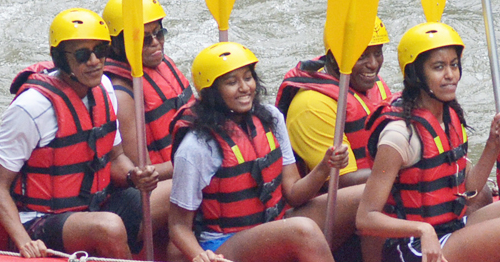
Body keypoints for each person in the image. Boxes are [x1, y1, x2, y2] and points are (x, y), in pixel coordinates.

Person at [0, 8, 159, 259]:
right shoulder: (31, 107)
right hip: (41, 221)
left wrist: (134, 176)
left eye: (100, 51)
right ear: (61, 58)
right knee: (109, 227)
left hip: (94, 204)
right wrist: (24, 242)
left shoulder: (105, 88)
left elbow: (115, 156)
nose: (94, 61)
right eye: (82, 55)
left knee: (172, 195)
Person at [168, 41, 349, 262]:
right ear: (212, 92)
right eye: (231, 82)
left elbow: (293, 193)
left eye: (248, 77)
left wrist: (324, 167)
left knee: (362, 197)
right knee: (304, 230)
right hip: (223, 244)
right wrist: (200, 256)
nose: (245, 88)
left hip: (273, 225)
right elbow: (178, 226)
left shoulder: (271, 118)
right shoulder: (197, 146)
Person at [356, 21, 500, 262]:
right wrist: (422, 230)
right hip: (413, 247)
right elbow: (365, 217)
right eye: (438, 67)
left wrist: (492, 144)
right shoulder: (399, 135)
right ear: (416, 74)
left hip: (452, 227)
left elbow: (468, 192)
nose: (450, 75)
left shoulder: (450, 116)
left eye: (454, 65)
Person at [102, 0, 193, 259]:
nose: (155, 43)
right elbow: (140, 173)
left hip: (171, 180)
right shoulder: (121, 94)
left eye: (159, 33)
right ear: (119, 44)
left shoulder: (164, 68)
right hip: (135, 200)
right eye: (144, 38)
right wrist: (197, 162)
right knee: (200, 180)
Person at [275, 16, 392, 188]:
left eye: (377, 53)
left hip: (376, 183)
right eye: (362, 56)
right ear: (335, 57)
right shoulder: (312, 105)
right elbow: (341, 182)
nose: (374, 65)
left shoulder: (374, 83)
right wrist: (400, 169)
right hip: (328, 202)